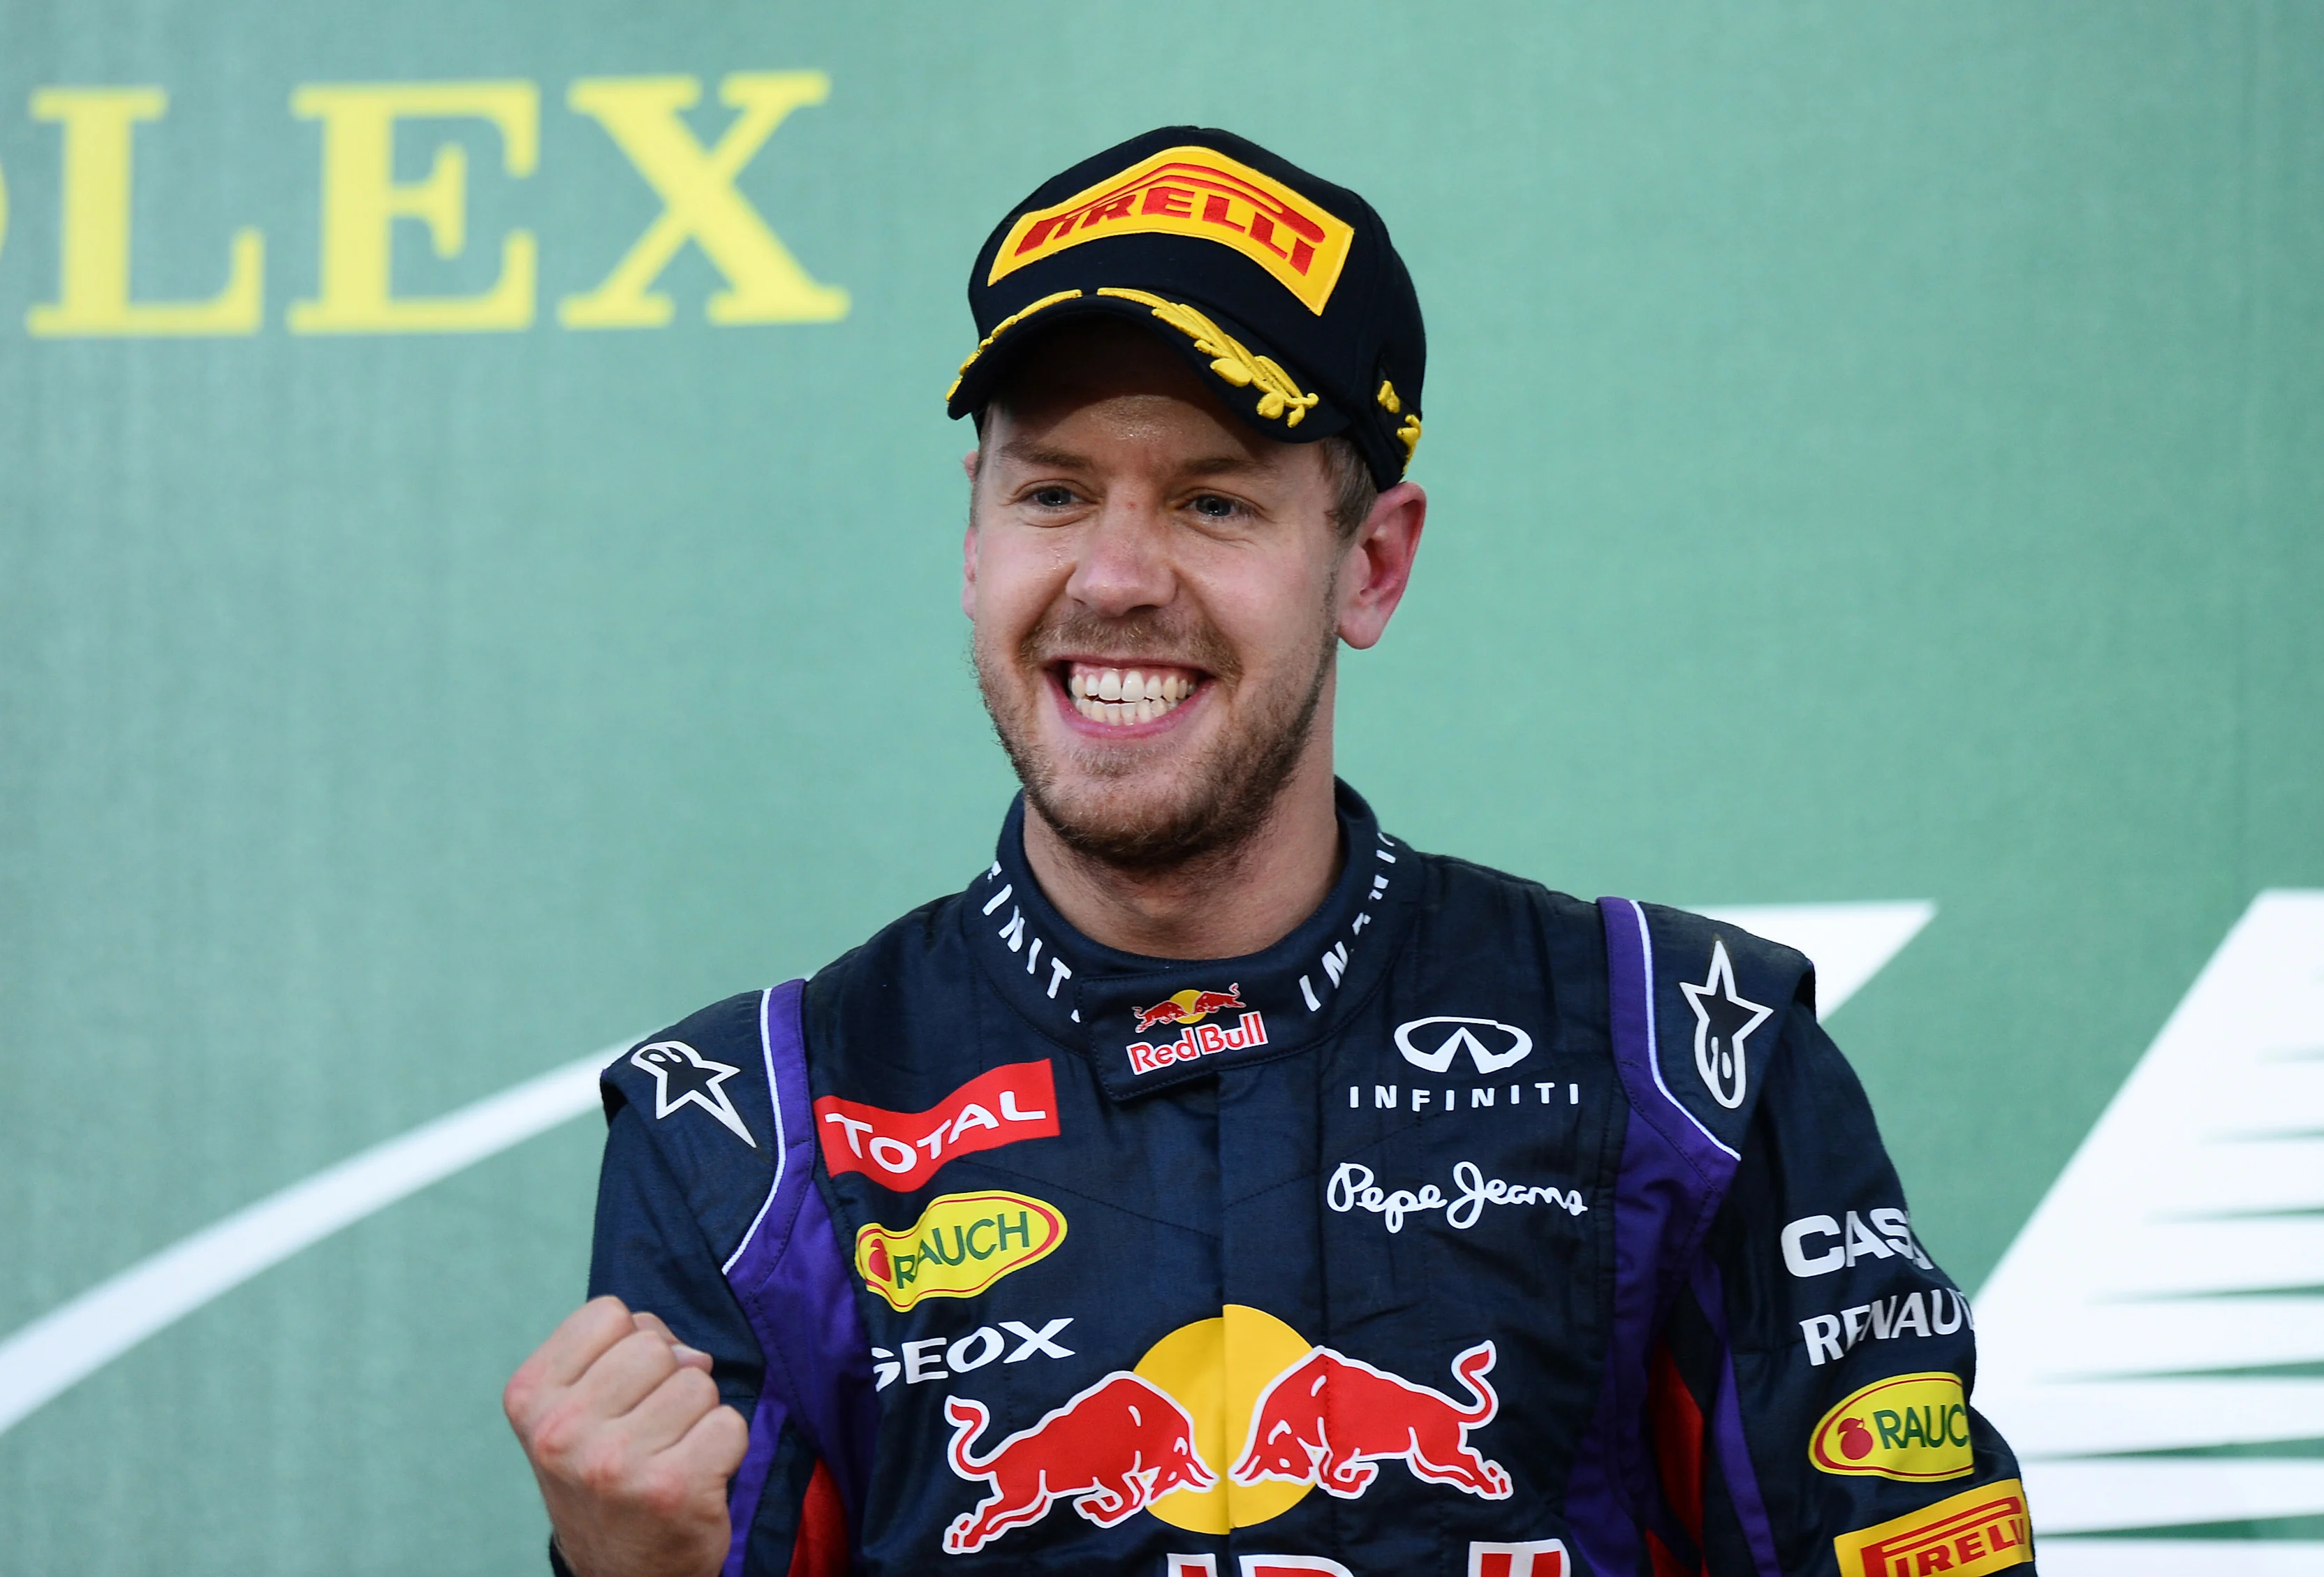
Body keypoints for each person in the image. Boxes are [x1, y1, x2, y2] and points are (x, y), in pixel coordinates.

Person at [502, 127, 2030, 1577]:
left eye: (1212, 500)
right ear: (973, 544)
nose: (1112, 575)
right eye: (1051, 492)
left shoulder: (1682, 1058)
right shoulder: (743, 1133)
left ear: (1370, 563)